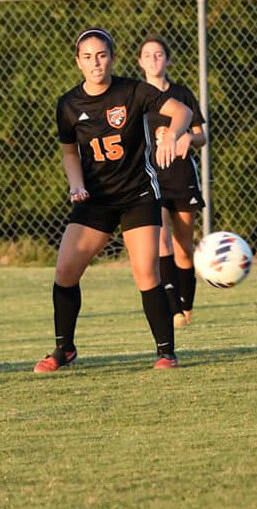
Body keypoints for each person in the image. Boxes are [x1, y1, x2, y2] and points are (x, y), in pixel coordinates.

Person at [34, 27, 193, 373]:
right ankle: (65, 349)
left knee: (144, 273)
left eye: (102, 55)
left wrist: (173, 134)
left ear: (112, 58)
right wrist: (76, 185)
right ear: (78, 62)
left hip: (137, 194)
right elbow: (69, 154)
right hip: (96, 199)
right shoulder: (68, 104)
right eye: (88, 57)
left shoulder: (133, 91)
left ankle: (167, 352)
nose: (96, 63)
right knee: (65, 271)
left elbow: (182, 112)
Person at [138, 35, 206, 328]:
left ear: (167, 59)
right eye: (148, 55)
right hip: (152, 178)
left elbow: (201, 135)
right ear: (140, 62)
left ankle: (186, 306)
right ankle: (172, 310)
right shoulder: (137, 96)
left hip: (181, 177)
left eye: (159, 54)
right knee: (162, 242)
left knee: (183, 246)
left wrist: (189, 136)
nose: (154, 59)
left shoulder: (181, 94)